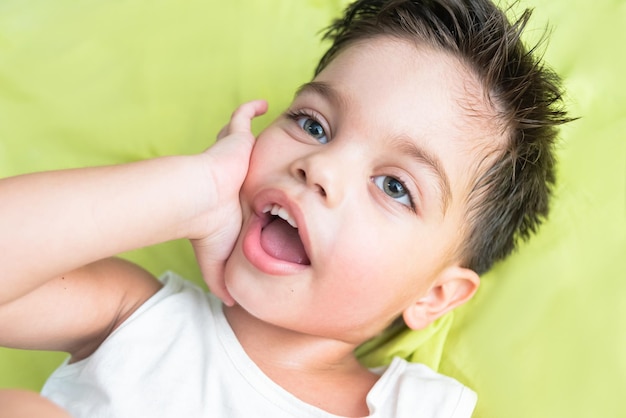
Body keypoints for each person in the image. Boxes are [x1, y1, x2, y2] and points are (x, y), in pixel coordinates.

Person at [0, 0, 571, 416]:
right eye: (313, 124)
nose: (318, 167)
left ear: (434, 296)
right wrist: (187, 192)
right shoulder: (137, 318)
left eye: (394, 186)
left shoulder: (412, 408)